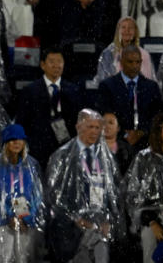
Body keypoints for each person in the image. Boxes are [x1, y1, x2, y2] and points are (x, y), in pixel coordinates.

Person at [43, 109, 121, 263]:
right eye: (89, 127)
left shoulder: (106, 157)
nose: (94, 131)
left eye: (97, 127)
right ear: (78, 126)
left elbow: (114, 193)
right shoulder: (62, 156)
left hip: (100, 226)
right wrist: (76, 218)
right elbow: (53, 195)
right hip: (72, 230)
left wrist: (109, 221)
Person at [0, 125, 46, 263]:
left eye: (20, 139)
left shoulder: (31, 165)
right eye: (12, 139)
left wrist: (25, 218)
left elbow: (37, 196)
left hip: (25, 224)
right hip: (0, 223)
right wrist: (9, 215)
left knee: (24, 259)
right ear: (5, 142)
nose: (16, 143)